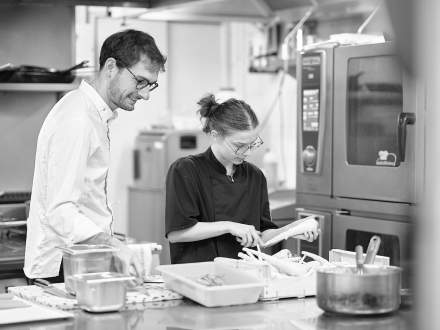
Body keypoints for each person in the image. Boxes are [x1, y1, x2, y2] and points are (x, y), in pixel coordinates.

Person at [24, 29, 167, 282]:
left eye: (150, 85)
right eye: (140, 81)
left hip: (80, 261)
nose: (145, 94)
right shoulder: (78, 118)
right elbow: (61, 211)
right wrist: (113, 244)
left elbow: (87, 198)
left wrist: (114, 239)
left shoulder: (93, 115)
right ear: (111, 66)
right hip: (61, 267)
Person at [165, 94, 319, 264]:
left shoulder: (255, 176)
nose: (247, 152)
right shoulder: (187, 170)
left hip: (244, 275)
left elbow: (262, 233)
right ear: (215, 135)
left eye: (252, 144)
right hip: (198, 277)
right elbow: (176, 234)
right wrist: (229, 226)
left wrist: (291, 231)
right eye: (239, 146)